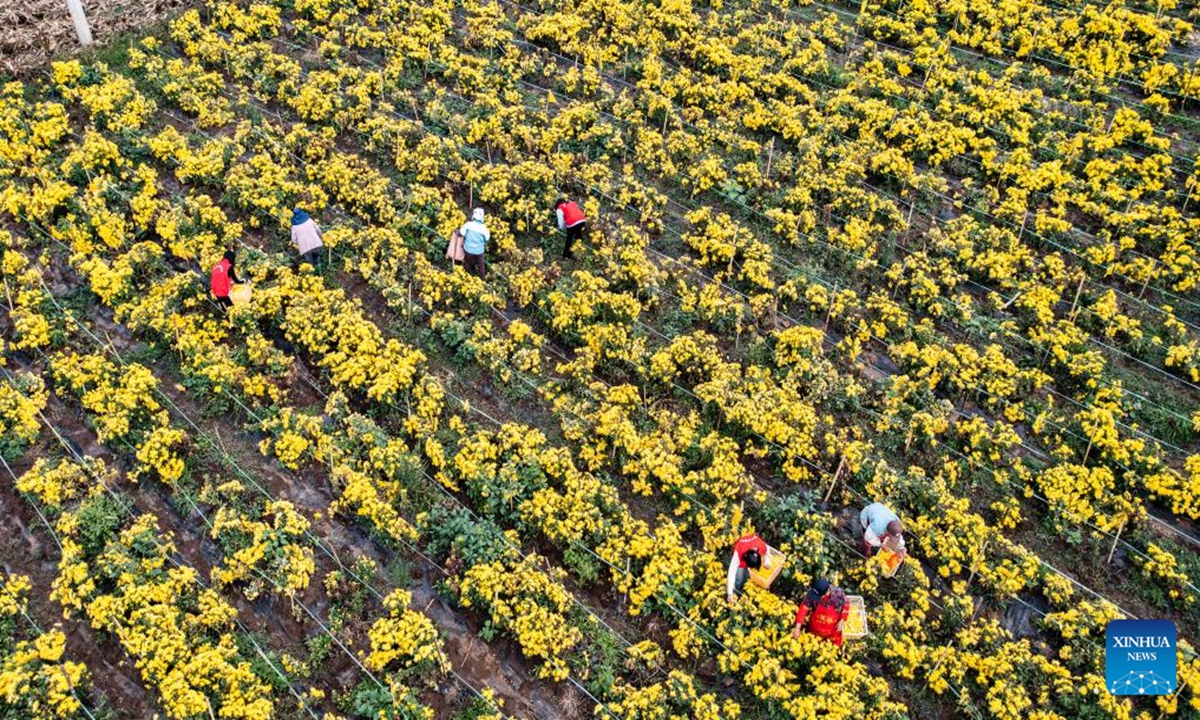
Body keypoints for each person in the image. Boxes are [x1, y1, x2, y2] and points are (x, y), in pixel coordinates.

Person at [792, 578, 850, 646]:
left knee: (833, 647)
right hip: (815, 627)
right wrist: (797, 628)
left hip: (832, 629)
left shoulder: (838, 594)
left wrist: (842, 620)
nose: (816, 598)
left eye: (819, 596)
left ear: (828, 591)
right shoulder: (813, 592)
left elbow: (846, 604)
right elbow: (804, 608)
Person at [726, 532, 770, 603]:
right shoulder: (739, 552)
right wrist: (729, 593)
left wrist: (767, 562)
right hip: (740, 550)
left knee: (747, 575)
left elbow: (767, 549)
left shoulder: (761, 546)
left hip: (750, 551)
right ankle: (736, 592)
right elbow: (731, 572)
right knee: (739, 577)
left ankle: (745, 585)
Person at [459, 207, 490, 279]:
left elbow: (461, 233)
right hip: (479, 251)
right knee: (481, 265)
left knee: (467, 262)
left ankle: (468, 276)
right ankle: (482, 278)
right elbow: (487, 239)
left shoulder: (468, 224)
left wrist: (457, 231)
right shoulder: (484, 228)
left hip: (468, 250)